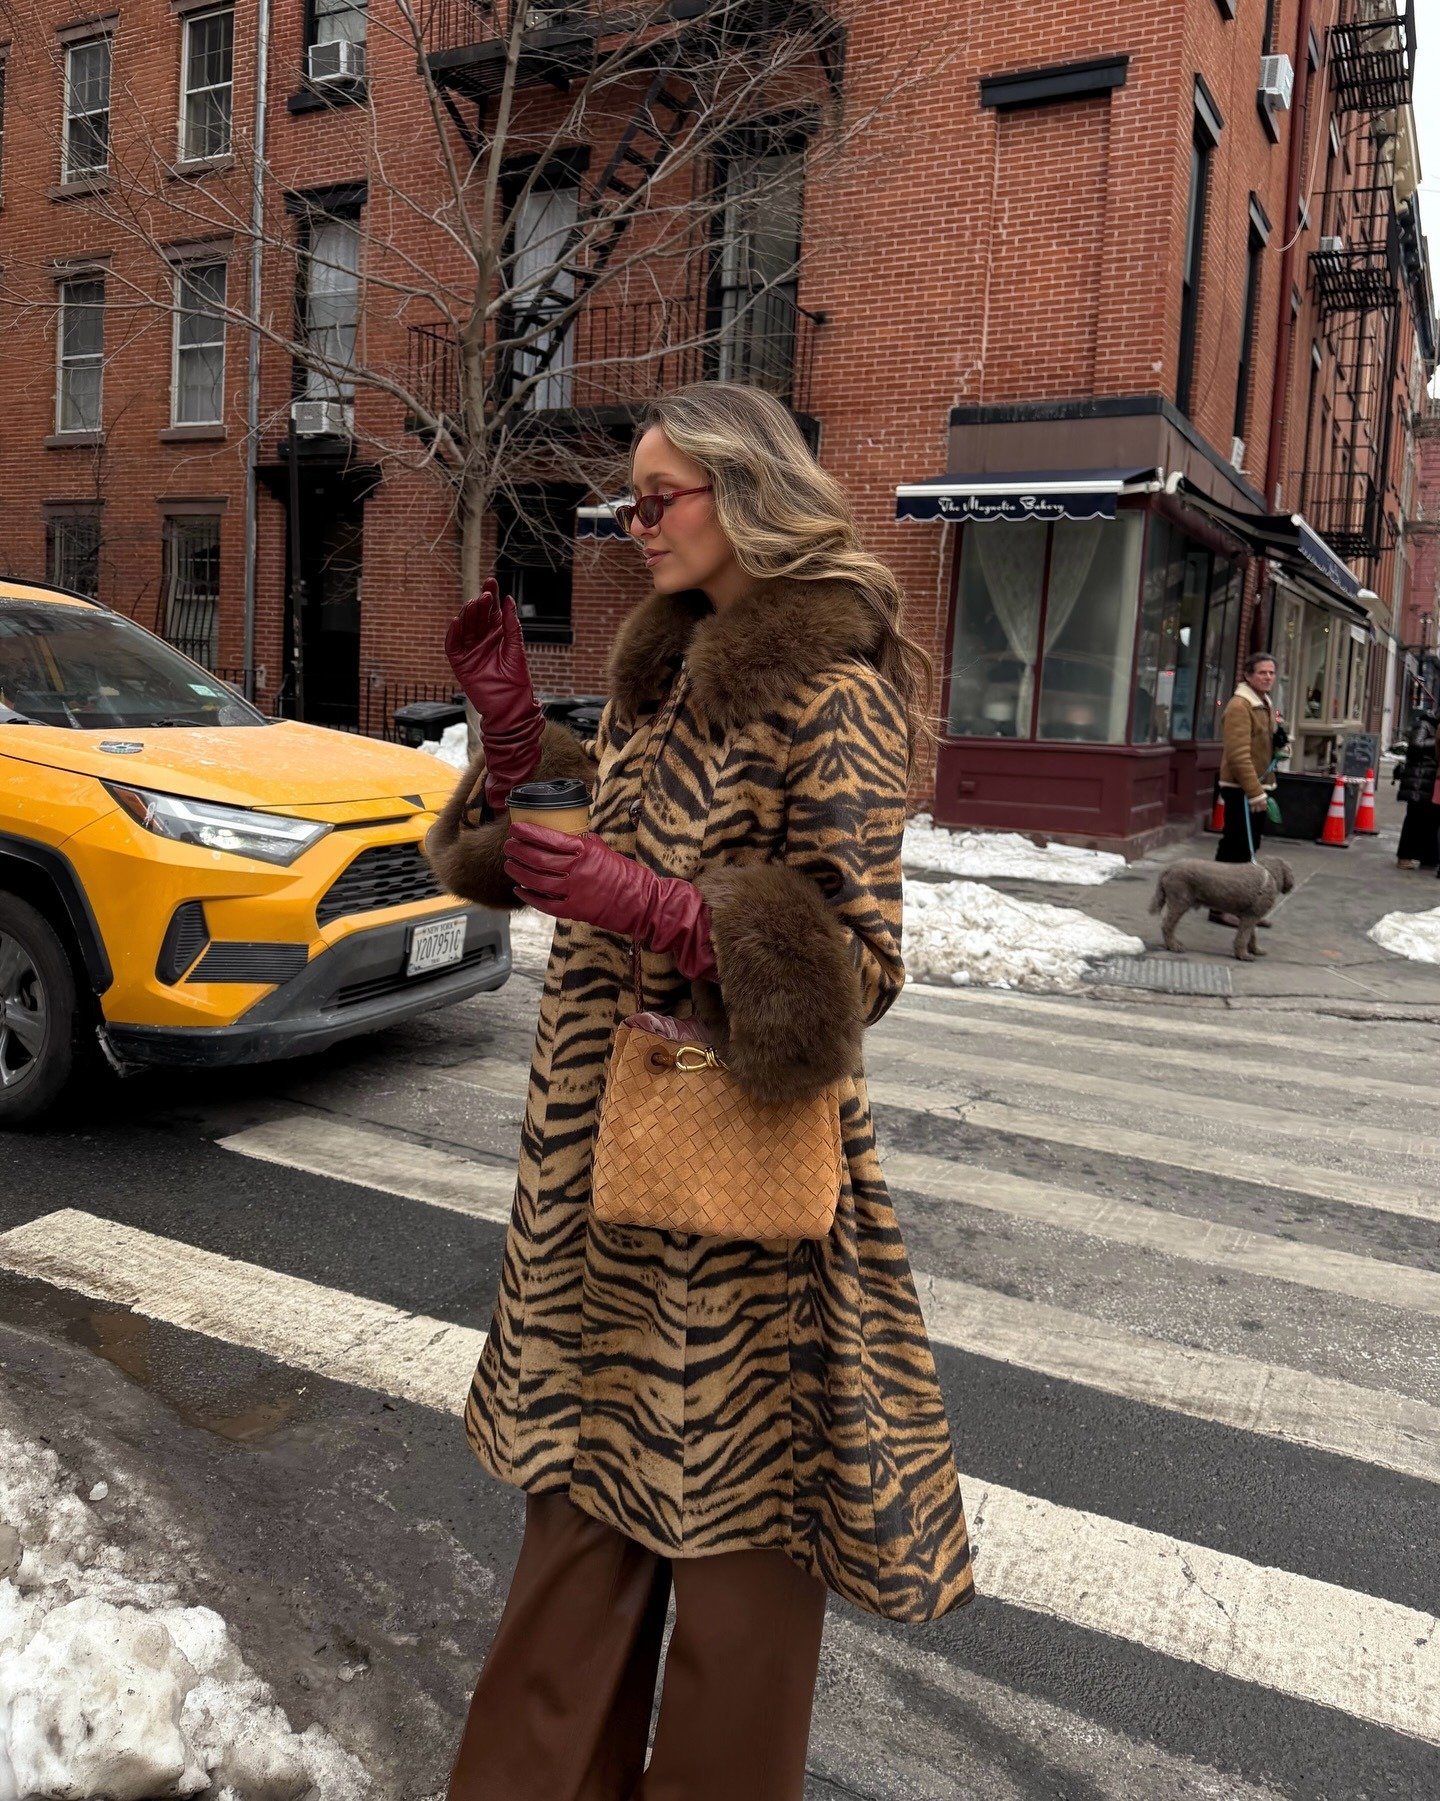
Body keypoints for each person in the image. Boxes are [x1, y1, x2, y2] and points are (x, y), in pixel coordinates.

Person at [426, 382, 973, 1801]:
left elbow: (858, 969)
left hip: (734, 1217)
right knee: (577, 1548)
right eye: (630, 497)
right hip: (608, 1178)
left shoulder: (832, 687)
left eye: (657, 495)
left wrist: (666, 916)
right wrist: (515, 758)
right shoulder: (669, 667)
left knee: (736, 1599)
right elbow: (614, 830)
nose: (631, 521)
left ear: (745, 494)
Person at [1393, 709, 1439, 870]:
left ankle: (1429, 857)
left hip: (1429, 781)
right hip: (1419, 781)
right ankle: (1404, 856)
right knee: (1415, 819)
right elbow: (1416, 744)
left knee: (1431, 821)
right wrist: (1437, 741)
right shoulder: (1424, 725)